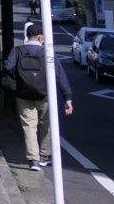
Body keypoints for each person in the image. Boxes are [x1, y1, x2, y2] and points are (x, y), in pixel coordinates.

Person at [5, 21, 72, 170]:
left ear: (27, 36)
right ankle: (45, 156)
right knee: (47, 125)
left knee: (29, 127)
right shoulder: (47, 54)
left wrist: (16, 81)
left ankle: (33, 160)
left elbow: (8, 67)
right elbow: (60, 76)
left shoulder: (18, 51)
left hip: (23, 94)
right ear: (41, 38)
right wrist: (67, 97)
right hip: (45, 95)